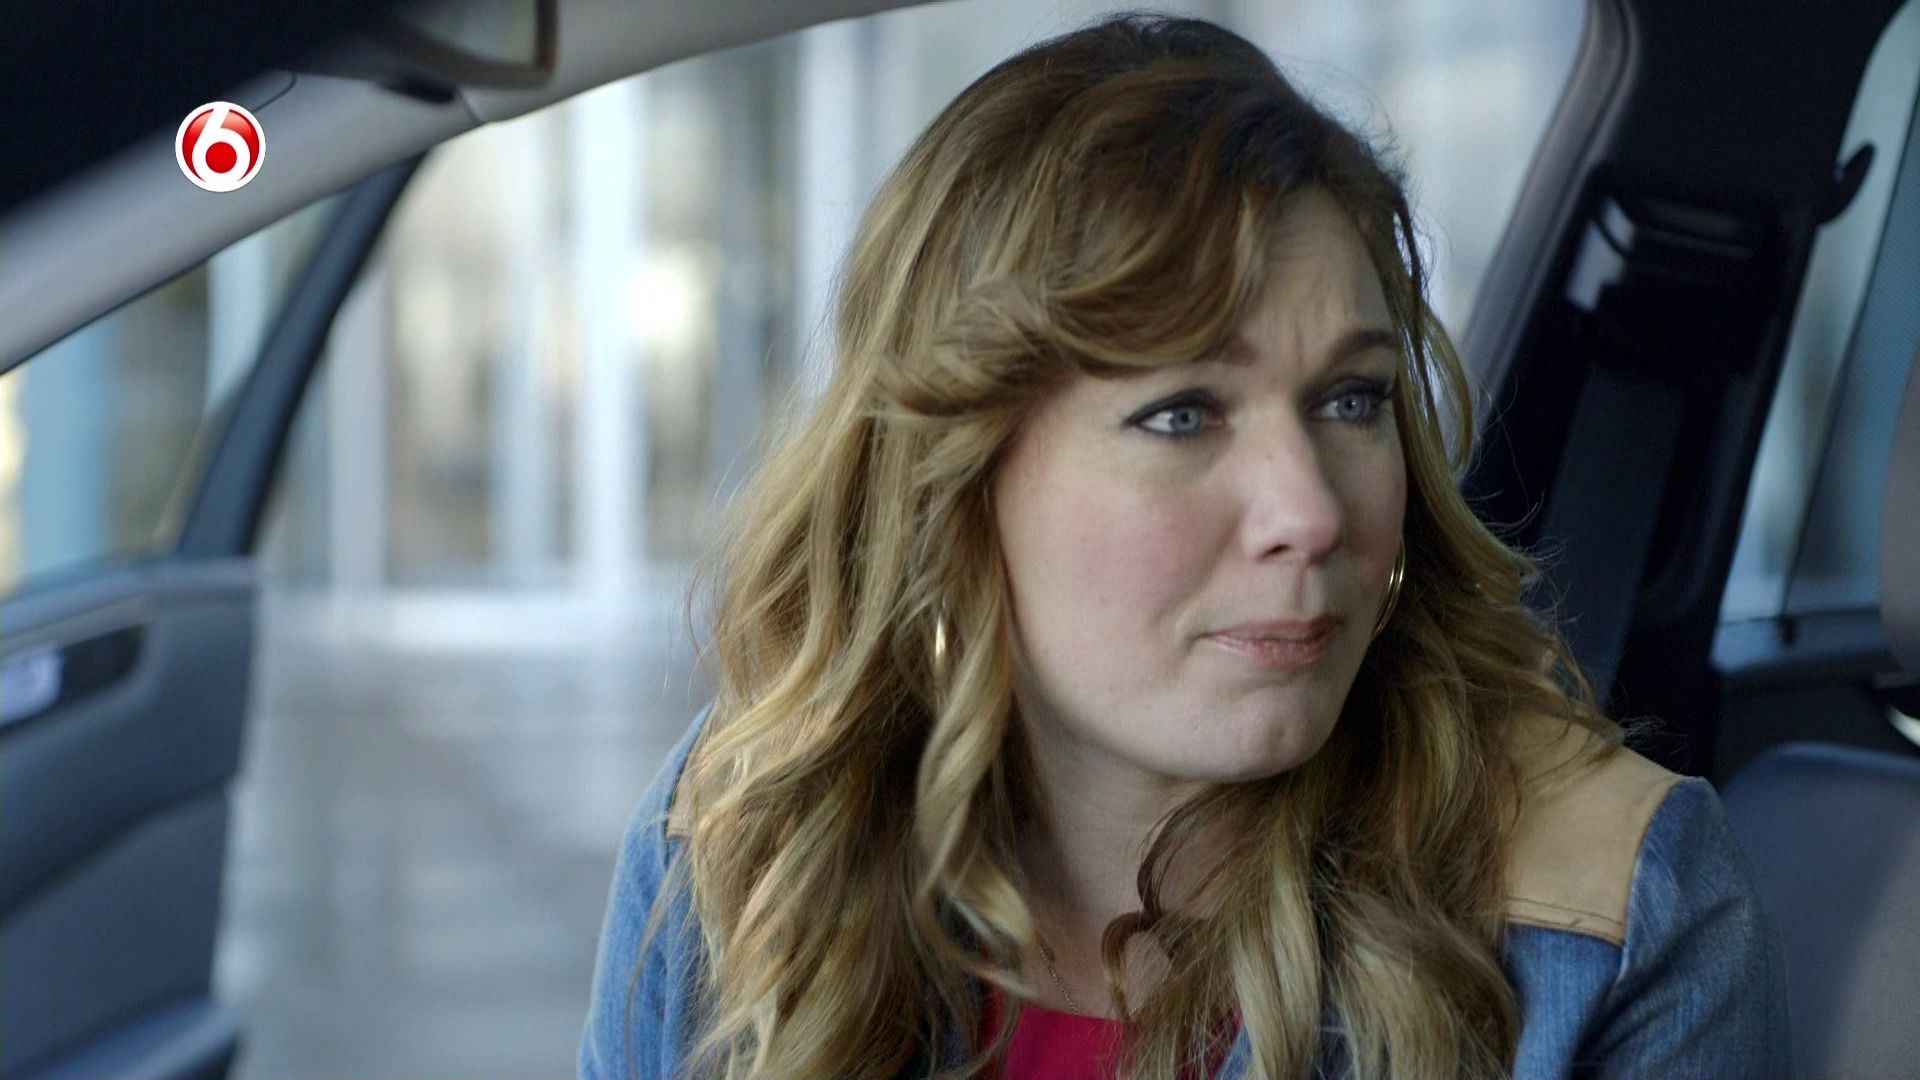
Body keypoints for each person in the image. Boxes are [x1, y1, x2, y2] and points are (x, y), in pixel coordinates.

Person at [580, 14, 1791, 1079]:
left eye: (1353, 400)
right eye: (1182, 414)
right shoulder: (748, 835)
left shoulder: (1611, 908)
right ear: (957, 484)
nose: (1311, 511)